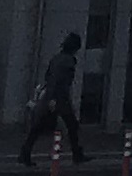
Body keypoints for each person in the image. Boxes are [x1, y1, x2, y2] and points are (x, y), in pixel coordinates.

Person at [18, 31, 89, 165]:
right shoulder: (69, 61)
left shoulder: (56, 58)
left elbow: (49, 78)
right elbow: (61, 81)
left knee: (38, 127)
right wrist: (56, 98)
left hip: (50, 96)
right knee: (72, 125)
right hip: (60, 98)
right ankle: (77, 154)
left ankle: (25, 153)